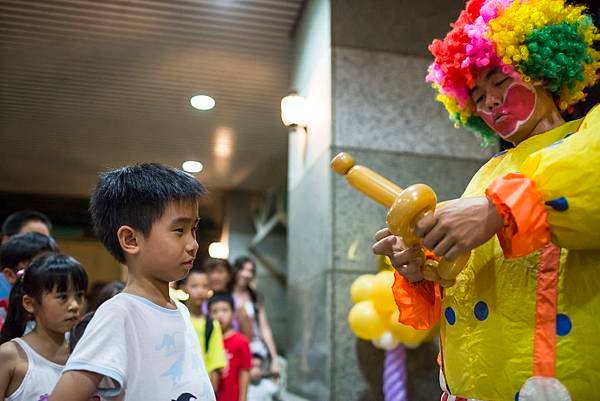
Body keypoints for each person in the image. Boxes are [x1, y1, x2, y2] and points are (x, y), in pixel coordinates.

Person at [372, 1, 600, 399]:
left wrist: (499, 209)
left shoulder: (589, 133)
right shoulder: (484, 175)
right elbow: (466, 281)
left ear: (543, 71)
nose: (490, 101)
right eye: (477, 94)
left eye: (499, 80)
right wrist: (421, 269)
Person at [49, 163, 215, 401]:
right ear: (130, 239)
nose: (193, 244)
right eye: (179, 230)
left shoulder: (180, 311)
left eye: (194, 229)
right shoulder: (119, 314)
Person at [0, 253, 88, 401]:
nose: (74, 306)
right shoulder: (9, 356)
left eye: (79, 296)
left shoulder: (85, 350)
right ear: (29, 303)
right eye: (62, 297)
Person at [232, 257, 280, 379]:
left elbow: (264, 328)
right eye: (243, 269)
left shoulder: (255, 298)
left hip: (256, 350)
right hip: (234, 351)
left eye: (250, 271)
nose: (246, 274)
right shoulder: (227, 296)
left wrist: (274, 359)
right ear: (236, 270)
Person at [0, 232, 59, 331]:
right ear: (10, 275)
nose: (49, 276)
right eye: (38, 268)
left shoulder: (65, 316)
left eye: (54, 268)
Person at [181, 266, 227, 390]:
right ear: (184, 288)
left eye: (204, 286)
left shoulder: (212, 325)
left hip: (201, 387)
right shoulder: (177, 318)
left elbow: (215, 364)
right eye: (194, 286)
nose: (200, 291)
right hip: (179, 384)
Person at [209, 292, 251, 401]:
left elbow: (245, 373)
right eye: (215, 311)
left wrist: (243, 398)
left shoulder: (241, 341)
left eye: (224, 310)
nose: (220, 315)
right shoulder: (208, 340)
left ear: (233, 314)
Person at [205, 258, 253, 339]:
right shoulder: (202, 303)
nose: (215, 276)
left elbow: (247, 339)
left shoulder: (238, 304)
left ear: (229, 275)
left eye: (220, 272)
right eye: (211, 272)